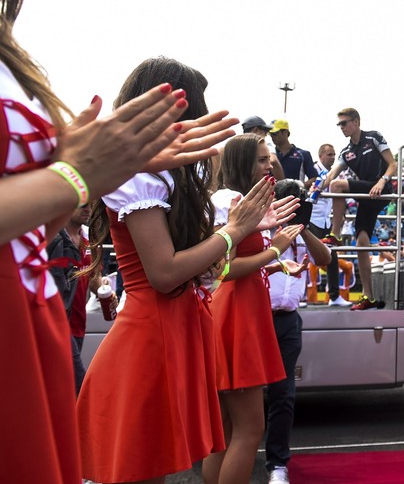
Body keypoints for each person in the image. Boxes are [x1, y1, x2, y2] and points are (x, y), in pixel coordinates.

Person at [0, 0, 237, 480]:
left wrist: (83, 171)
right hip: (134, 334)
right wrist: (75, 174)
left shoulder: (11, 58)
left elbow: (24, 235)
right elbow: (164, 271)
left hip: (29, 322)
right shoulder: (141, 182)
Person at [76, 57, 279, 484]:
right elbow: (164, 273)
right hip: (151, 338)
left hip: (175, 329)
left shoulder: (161, 175)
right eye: (195, 108)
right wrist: (232, 232)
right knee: (143, 469)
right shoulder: (136, 176)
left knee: (159, 468)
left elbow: (200, 273)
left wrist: (235, 234)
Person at [203, 134, 303, 484]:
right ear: (243, 162)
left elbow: (232, 263)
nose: (270, 164)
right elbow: (224, 268)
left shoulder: (235, 199)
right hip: (237, 314)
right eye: (262, 159)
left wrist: (272, 264)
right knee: (248, 429)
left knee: (226, 431)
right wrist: (275, 251)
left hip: (237, 309)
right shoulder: (230, 200)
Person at [264, 179, 332, 484]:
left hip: (289, 321)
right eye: (290, 202)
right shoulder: (262, 231)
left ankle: (277, 464)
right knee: (237, 391)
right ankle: (220, 451)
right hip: (257, 318)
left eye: (300, 202)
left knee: (283, 394)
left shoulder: (304, 233)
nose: (296, 207)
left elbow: (325, 259)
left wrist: (303, 228)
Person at [316, 107, 398, 311]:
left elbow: (393, 164)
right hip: (366, 197)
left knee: (338, 186)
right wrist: (318, 187)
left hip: (382, 188)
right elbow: (332, 174)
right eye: (339, 124)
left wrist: (381, 181)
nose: (341, 127)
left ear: (356, 122)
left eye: (344, 123)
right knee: (361, 243)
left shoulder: (374, 137)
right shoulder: (346, 152)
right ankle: (368, 297)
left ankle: (334, 234)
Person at [47, 206, 111, 394]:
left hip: (78, 322)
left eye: (91, 206)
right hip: (60, 323)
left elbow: (91, 275)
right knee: (78, 387)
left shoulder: (86, 238)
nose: (89, 210)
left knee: (62, 386)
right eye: (84, 206)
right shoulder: (55, 239)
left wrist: (103, 289)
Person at [308, 143, 352, 306]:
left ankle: (334, 297)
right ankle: (301, 296)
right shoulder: (312, 172)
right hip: (311, 220)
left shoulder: (335, 175)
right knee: (304, 257)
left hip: (325, 221)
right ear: (320, 156)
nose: (332, 158)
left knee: (332, 258)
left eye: (334, 155)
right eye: (329, 154)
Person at [270, 118, 317, 186]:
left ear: (285, 132)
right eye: (270, 134)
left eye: (275, 133)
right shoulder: (269, 156)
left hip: (296, 195)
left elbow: (314, 178)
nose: (272, 137)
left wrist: (299, 187)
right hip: (273, 195)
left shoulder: (303, 155)